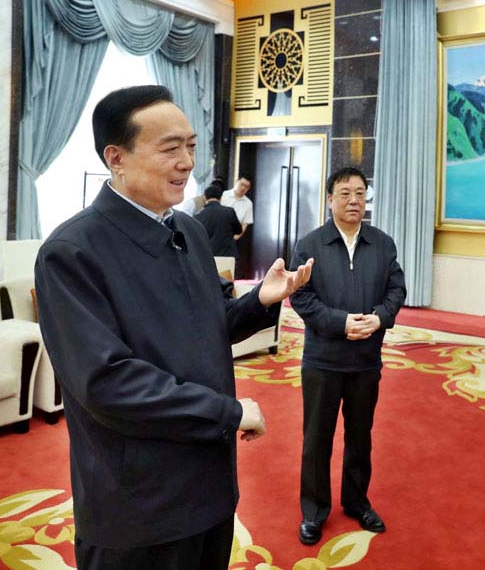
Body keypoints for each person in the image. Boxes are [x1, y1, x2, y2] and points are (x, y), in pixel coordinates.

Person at [34, 85, 313, 570]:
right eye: (169, 148)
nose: (187, 162)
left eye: (191, 146)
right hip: (139, 503)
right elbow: (107, 382)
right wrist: (227, 412)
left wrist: (259, 301)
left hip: (209, 483)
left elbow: (208, 326)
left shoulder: (189, 231)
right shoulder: (72, 252)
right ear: (116, 158)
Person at [289, 166, 406, 546]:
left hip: (366, 361)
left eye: (359, 193)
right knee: (316, 440)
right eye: (344, 193)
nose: (354, 200)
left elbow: (396, 289)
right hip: (322, 361)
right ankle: (313, 511)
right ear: (330, 200)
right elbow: (301, 297)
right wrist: (341, 323)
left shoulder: (383, 244)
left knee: (360, 436)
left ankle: (357, 502)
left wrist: (380, 317)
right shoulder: (310, 245)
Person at [195, 178, 243, 258]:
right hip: (227, 255)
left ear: (205, 197)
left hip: (207, 256)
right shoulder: (229, 211)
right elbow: (238, 231)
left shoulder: (198, 216)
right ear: (221, 197)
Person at [221, 174, 254, 242]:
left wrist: (235, 238)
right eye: (242, 184)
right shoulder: (223, 195)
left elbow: (245, 224)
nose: (243, 188)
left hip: (233, 238)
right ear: (236, 182)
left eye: (246, 187)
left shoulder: (248, 203)